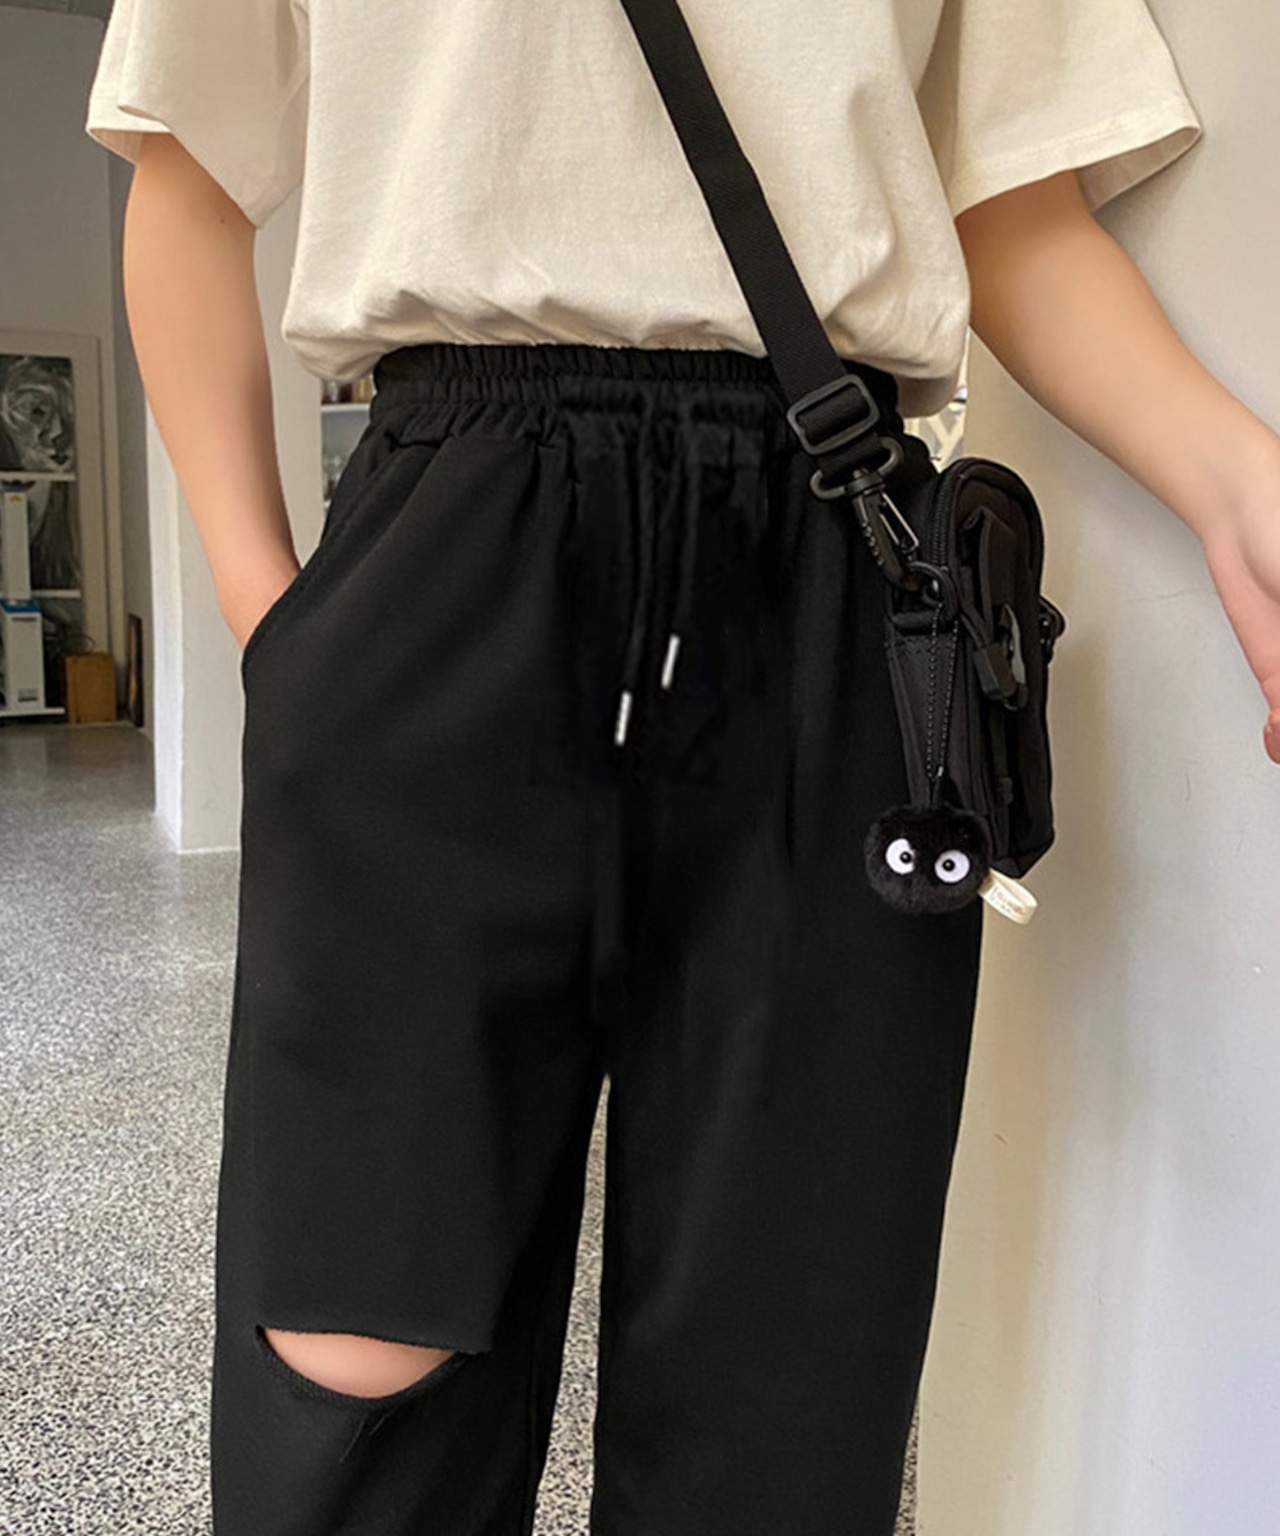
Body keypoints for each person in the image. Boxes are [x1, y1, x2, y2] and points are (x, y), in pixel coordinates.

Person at [85, 2, 1280, 1533]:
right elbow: (184, 169)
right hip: (448, 542)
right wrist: (277, 633)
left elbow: (1011, 206)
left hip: (832, 564)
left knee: (783, 1411)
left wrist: (1240, 481)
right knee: (355, 1387)